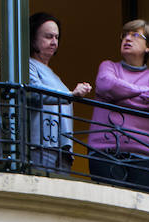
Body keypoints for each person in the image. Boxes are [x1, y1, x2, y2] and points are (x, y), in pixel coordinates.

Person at [88, 20, 149, 191]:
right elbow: (107, 85)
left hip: (144, 156)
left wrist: (120, 97)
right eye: (124, 35)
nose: (127, 39)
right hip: (105, 152)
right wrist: (144, 94)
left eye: (134, 35)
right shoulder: (108, 67)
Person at [27, 13, 91, 171]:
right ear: (33, 37)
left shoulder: (54, 75)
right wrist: (71, 95)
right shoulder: (28, 65)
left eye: (56, 37)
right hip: (40, 146)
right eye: (48, 36)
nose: (54, 42)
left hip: (61, 150)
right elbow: (34, 93)